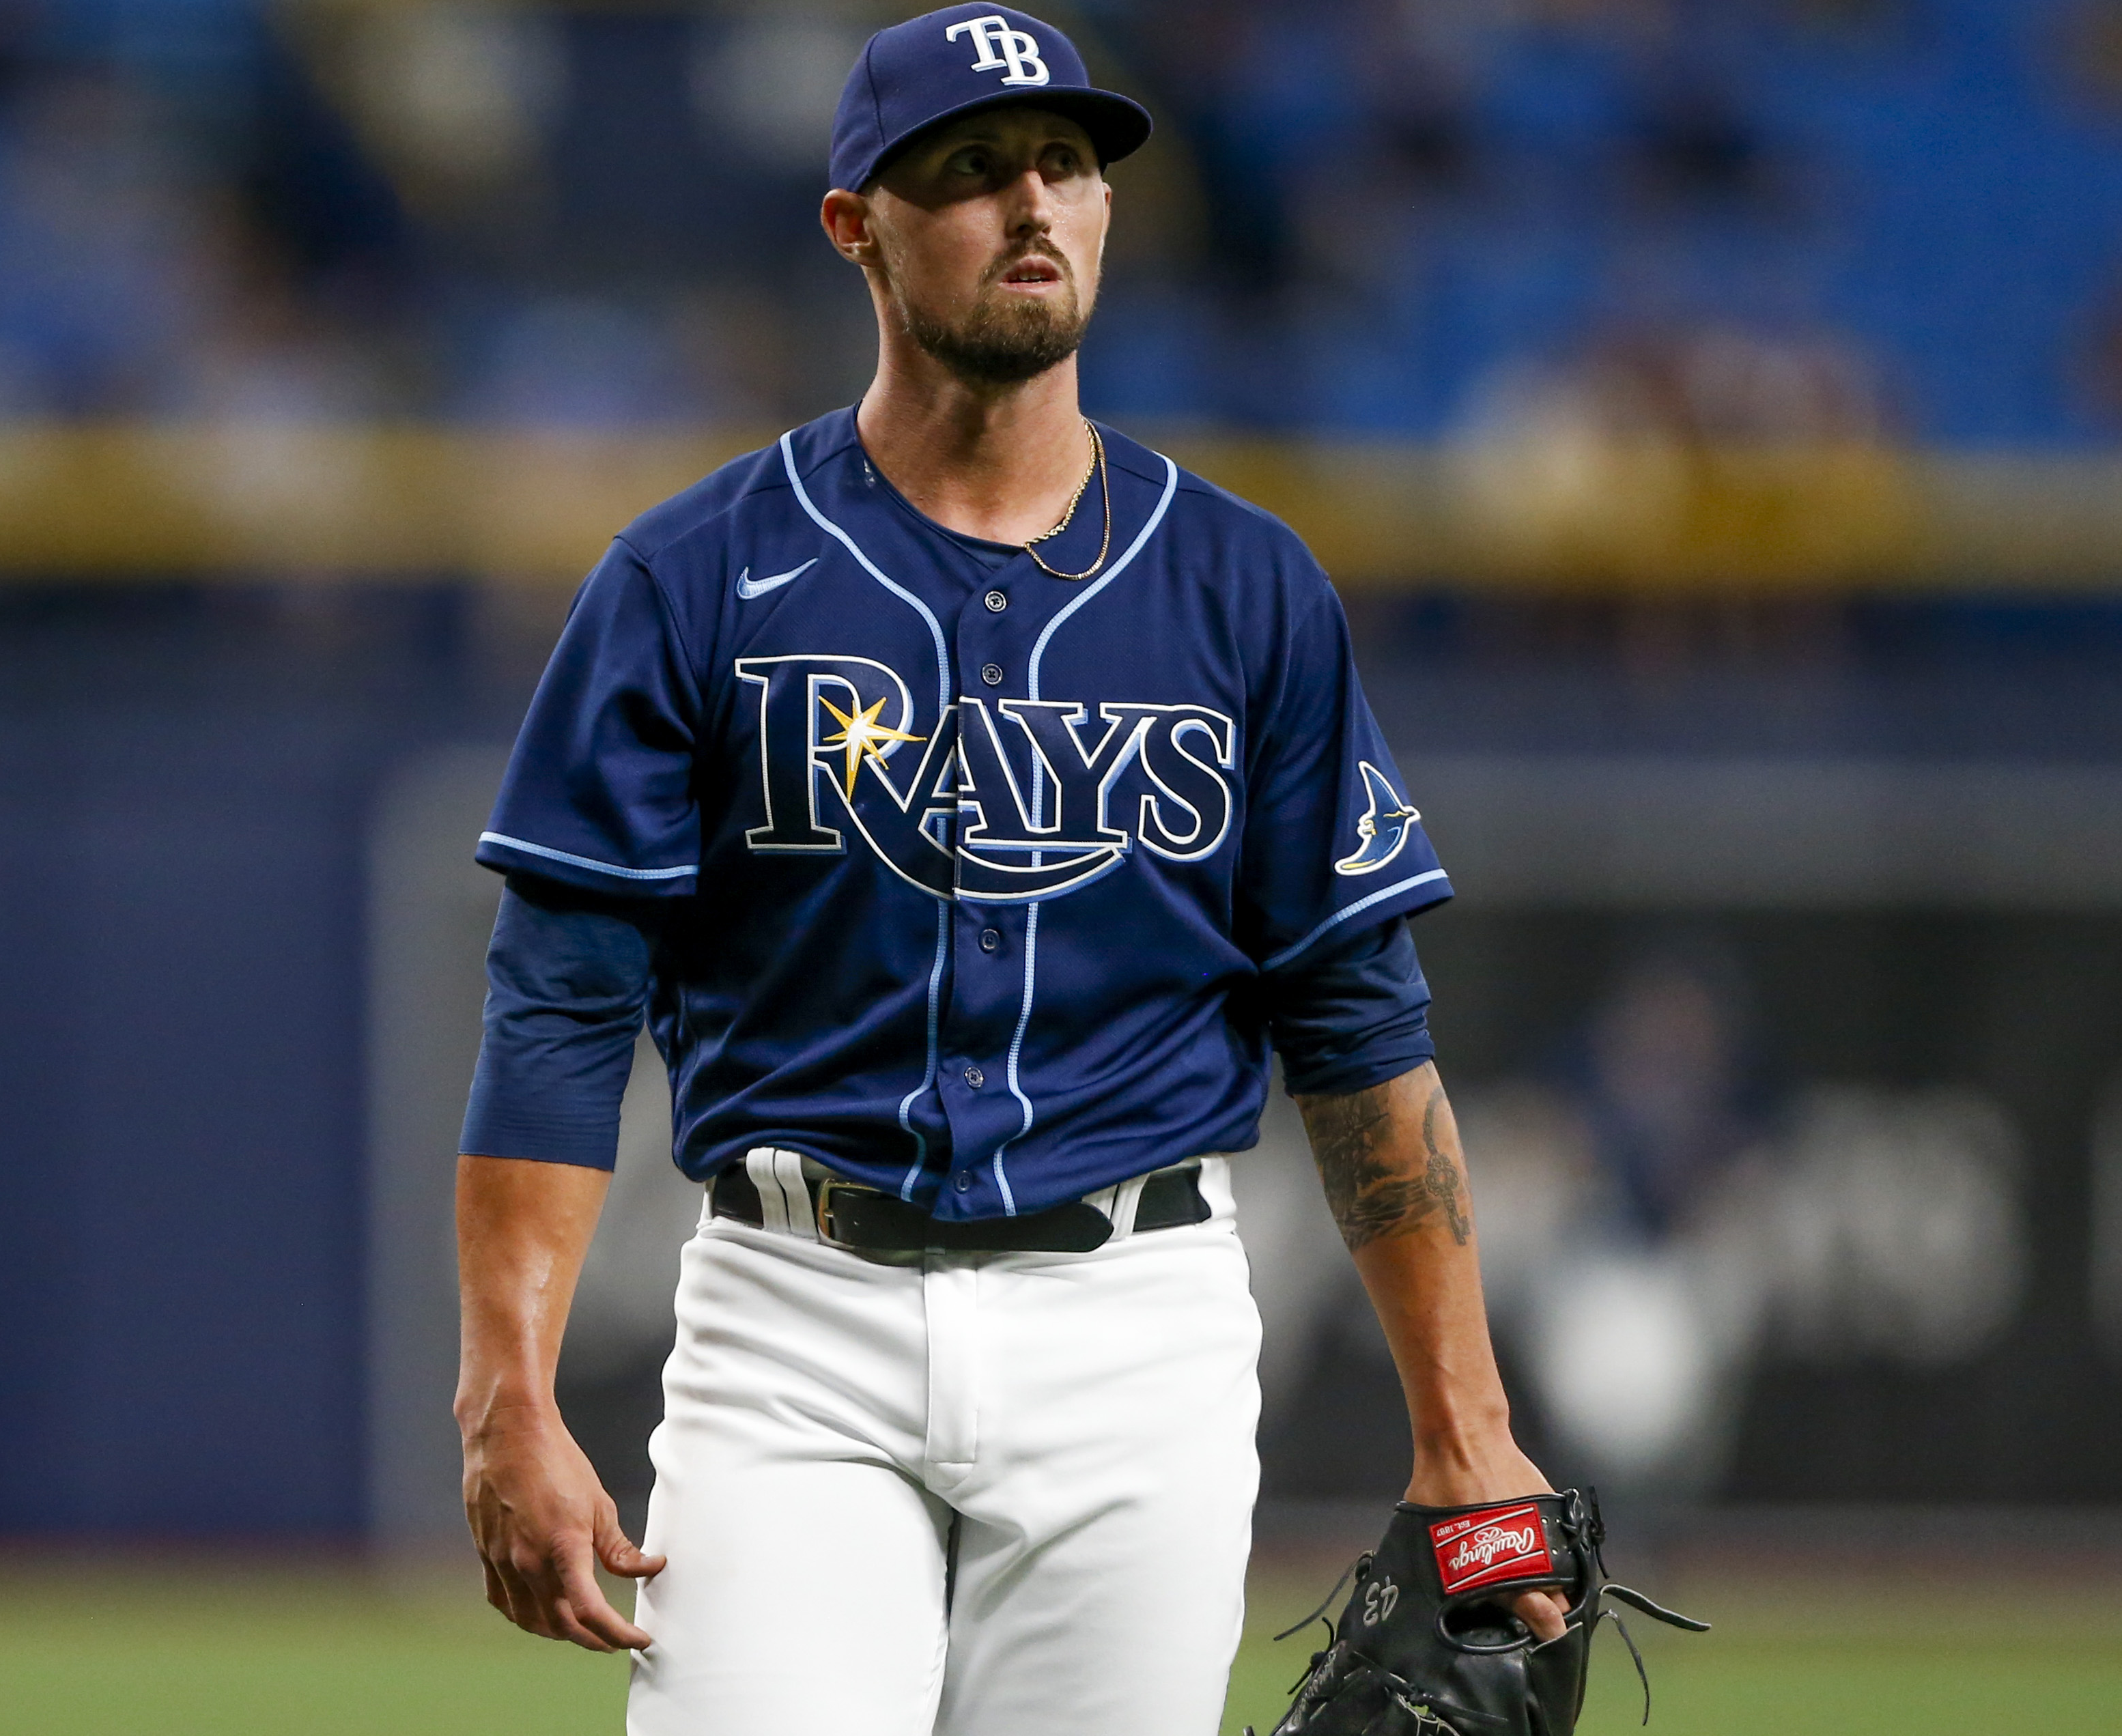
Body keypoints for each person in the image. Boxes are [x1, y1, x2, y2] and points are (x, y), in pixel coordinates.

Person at [451, 10, 1561, 1733]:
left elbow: (1356, 1018)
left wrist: (1467, 1424)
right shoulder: (692, 579)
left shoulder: (1244, 589)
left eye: (1068, 163)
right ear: (857, 228)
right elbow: (560, 1005)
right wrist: (504, 1390)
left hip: (1140, 1326)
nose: (1034, 203)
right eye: (970, 170)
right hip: (794, 1313)